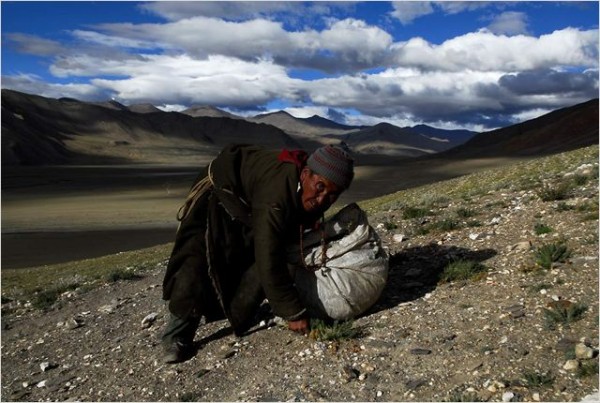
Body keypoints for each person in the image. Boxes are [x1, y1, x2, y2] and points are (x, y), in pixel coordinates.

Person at [160, 143, 354, 363]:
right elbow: (269, 254)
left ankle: (239, 314)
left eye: (332, 195)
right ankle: (176, 336)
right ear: (306, 174)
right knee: (195, 263)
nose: (321, 200)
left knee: (253, 260)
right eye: (319, 187)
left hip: (250, 205)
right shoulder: (277, 193)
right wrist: (293, 312)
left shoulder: (300, 189)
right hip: (218, 193)